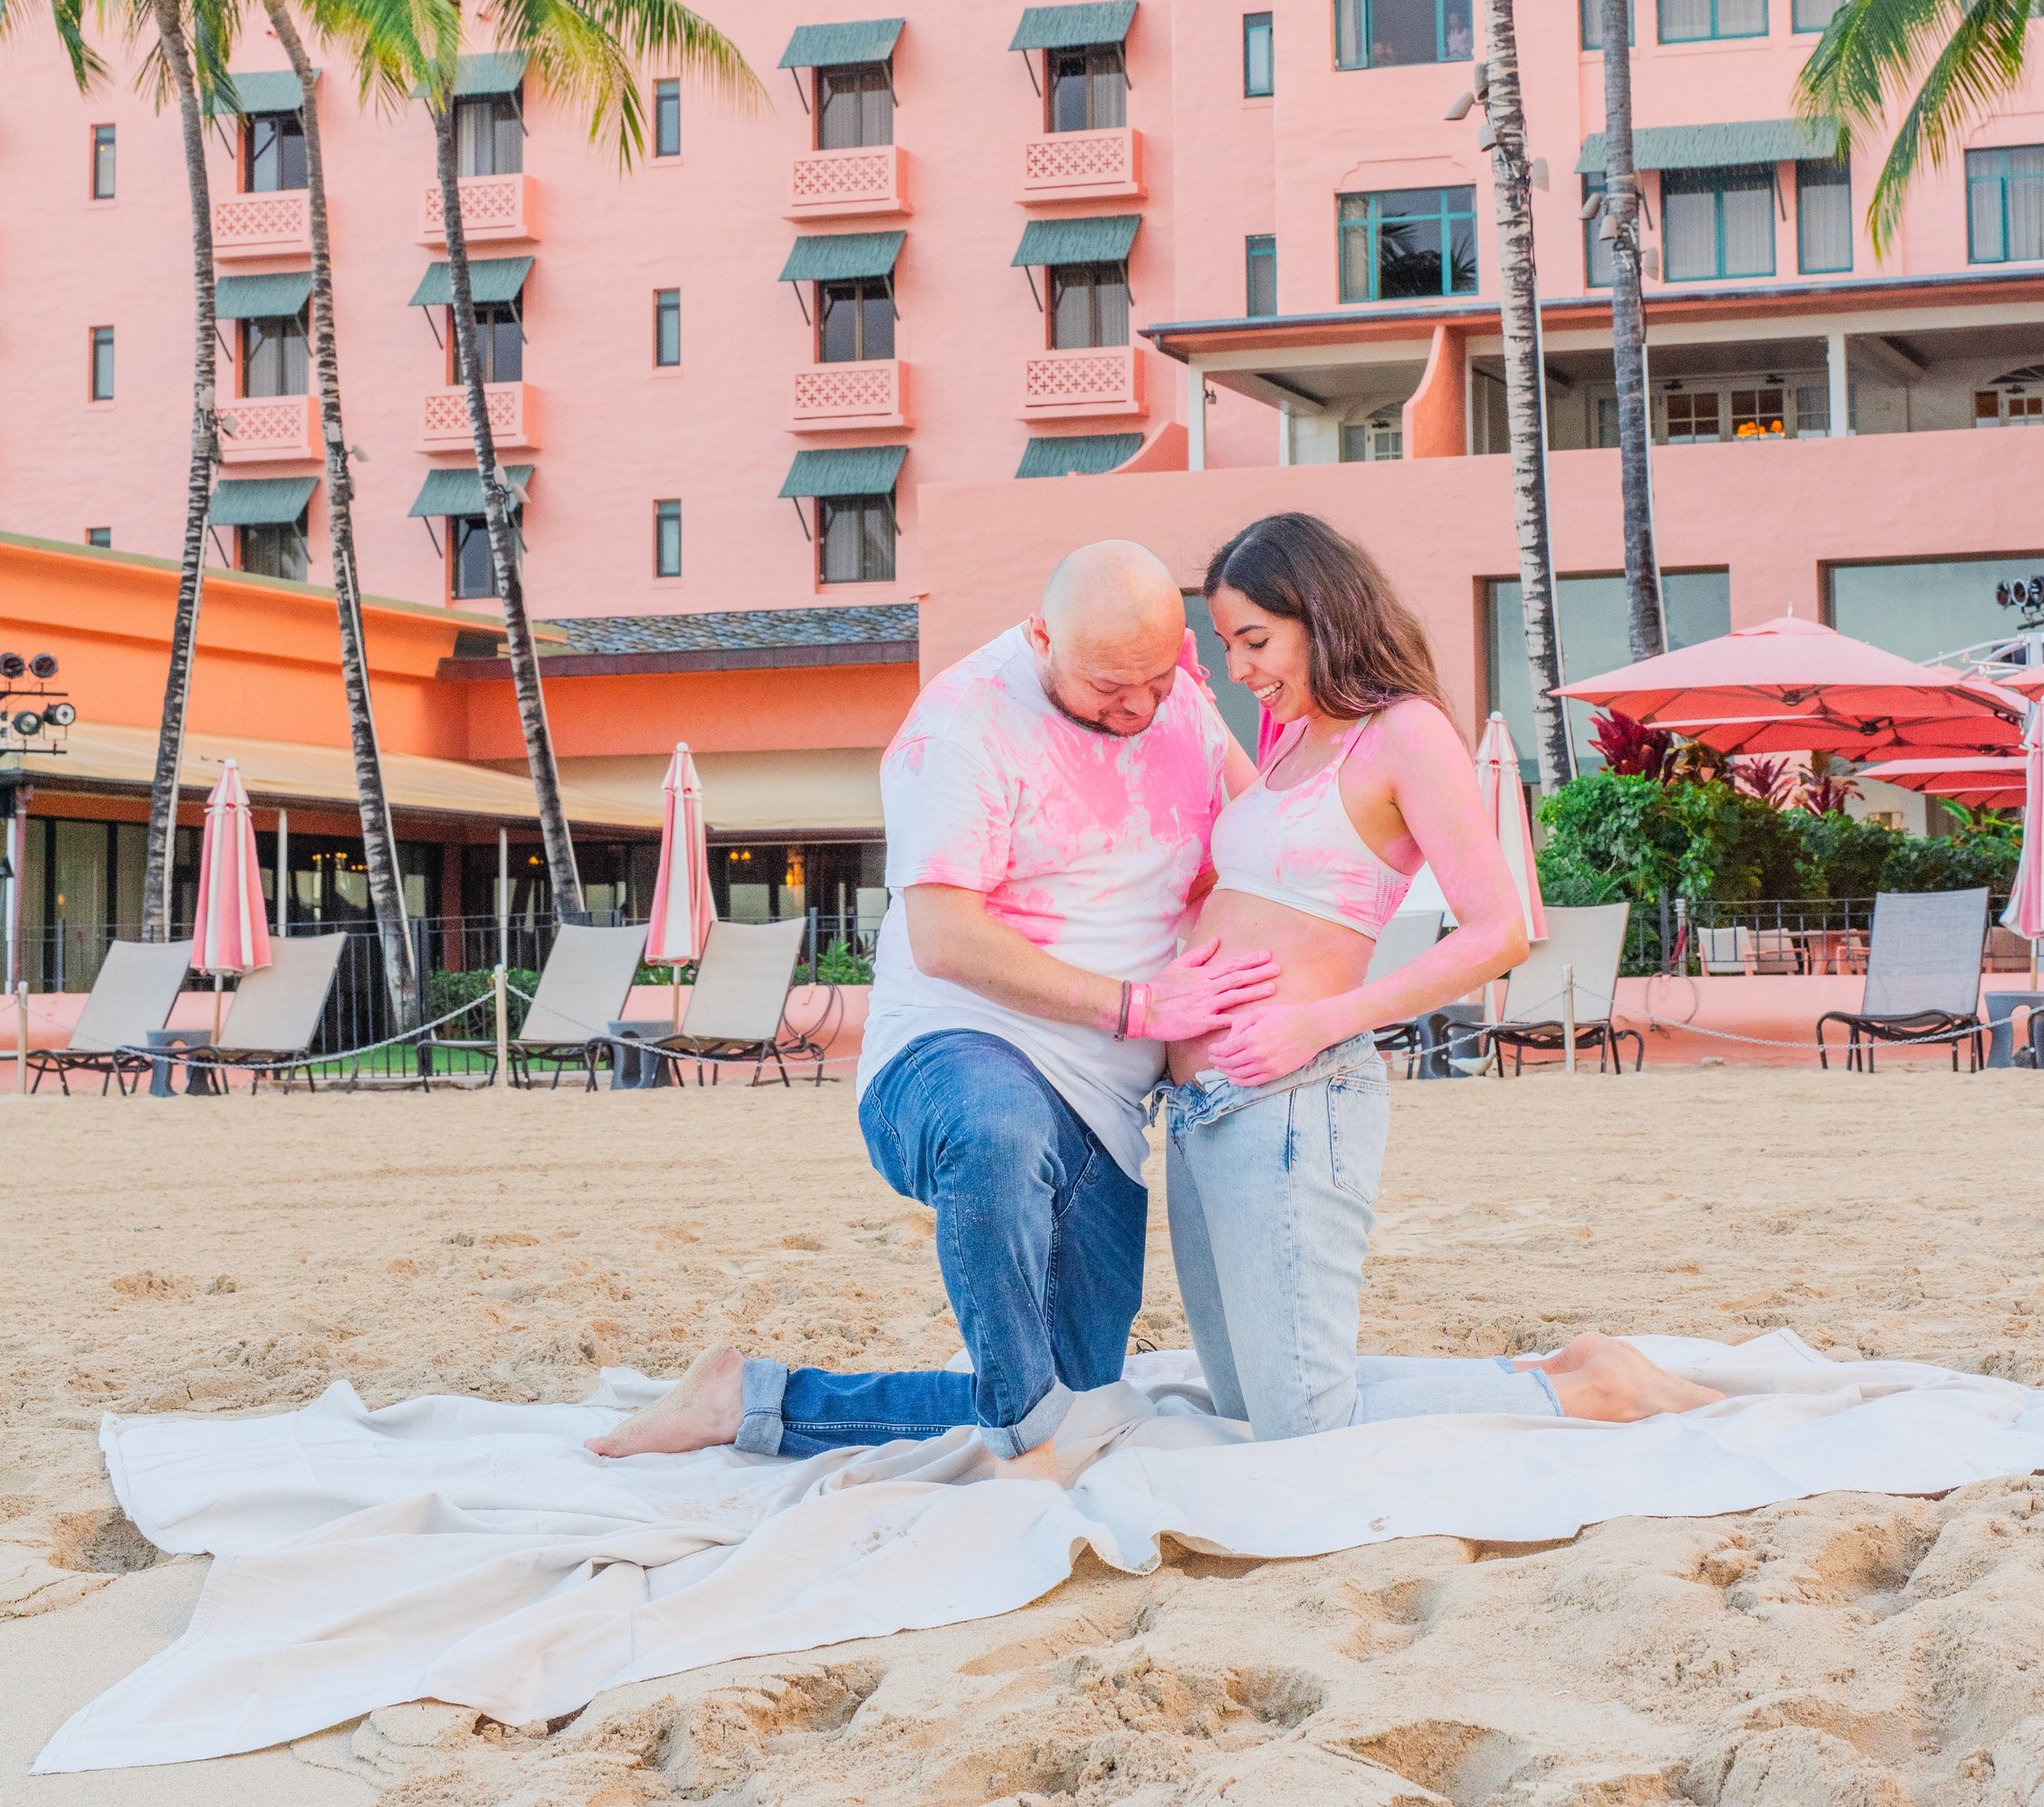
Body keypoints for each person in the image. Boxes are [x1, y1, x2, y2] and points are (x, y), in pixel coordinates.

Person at [591, 540, 1275, 1477]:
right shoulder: (963, 722)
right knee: (999, 1137)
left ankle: (747, 1399)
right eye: (1111, 684)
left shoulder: (1180, 706)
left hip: (1106, 1114)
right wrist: (1138, 1003)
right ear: (1041, 635)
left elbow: (1265, 835)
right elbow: (944, 938)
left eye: (1159, 678)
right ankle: (1027, 1445)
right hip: (959, 1051)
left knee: (1076, 1400)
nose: (1139, 708)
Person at [1166, 512, 1717, 1438]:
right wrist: (1180, 698)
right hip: (1199, 1113)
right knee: (1248, 1408)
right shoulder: (1287, 741)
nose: (1239, 669)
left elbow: (1499, 931)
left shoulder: (1403, 734)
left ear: (1321, 614)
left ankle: (1595, 1387)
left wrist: (1324, 1020)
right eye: (1225, 647)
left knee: (1297, 1426)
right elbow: (1255, 848)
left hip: (1293, 1097)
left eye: (1255, 641)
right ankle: (1551, 1369)